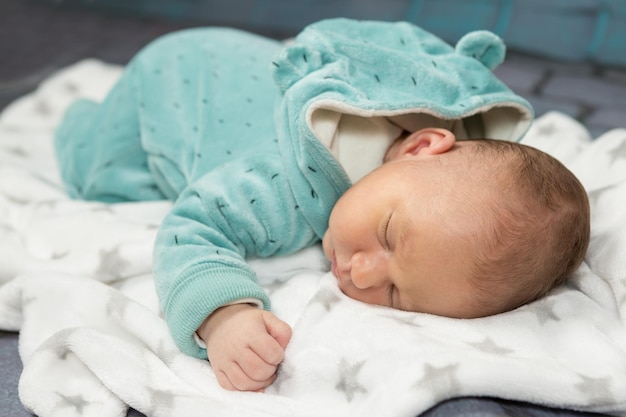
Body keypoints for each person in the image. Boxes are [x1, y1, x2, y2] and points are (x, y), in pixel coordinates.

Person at [53, 18, 589, 393]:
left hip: (232, 57)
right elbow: (192, 225)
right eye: (388, 235)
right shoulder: (281, 186)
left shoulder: (415, 128)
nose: (359, 269)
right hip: (167, 80)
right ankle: (78, 118)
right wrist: (222, 316)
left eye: (397, 292)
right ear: (425, 144)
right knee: (96, 175)